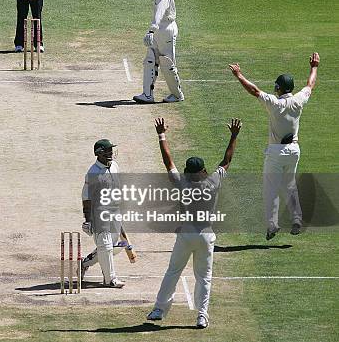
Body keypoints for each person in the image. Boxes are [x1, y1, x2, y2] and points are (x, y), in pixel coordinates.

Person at [146, 117, 241, 328]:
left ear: (188, 171)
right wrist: (233, 135)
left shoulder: (182, 183)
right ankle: (202, 315)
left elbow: (168, 162)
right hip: (206, 235)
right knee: (204, 277)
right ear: (203, 170)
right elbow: (226, 161)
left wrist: (162, 135)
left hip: (186, 234)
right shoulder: (212, 182)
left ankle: (159, 310)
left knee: (173, 272)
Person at [229, 52, 319, 239]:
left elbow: (254, 91)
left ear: (278, 88)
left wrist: (239, 75)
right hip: (294, 150)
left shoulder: (274, 104)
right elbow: (310, 85)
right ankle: (296, 219)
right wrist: (314, 66)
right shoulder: (298, 101)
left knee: (271, 188)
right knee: (290, 185)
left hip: (276, 151)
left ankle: (272, 226)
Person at [133, 0, 184, 104]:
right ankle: (147, 94)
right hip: (159, 30)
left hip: (166, 30)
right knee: (150, 59)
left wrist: (152, 29)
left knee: (167, 62)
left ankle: (177, 94)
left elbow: (160, 11)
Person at [80, 139, 126, 288]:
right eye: (107, 151)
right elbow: (86, 197)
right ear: (99, 153)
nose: (111, 154)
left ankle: (85, 263)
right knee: (105, 246)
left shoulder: (115, 166)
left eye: (111, 150)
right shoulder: (93, 173)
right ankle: (110, 279)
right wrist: (87, 219)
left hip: (115, 211)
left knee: (115, 246)